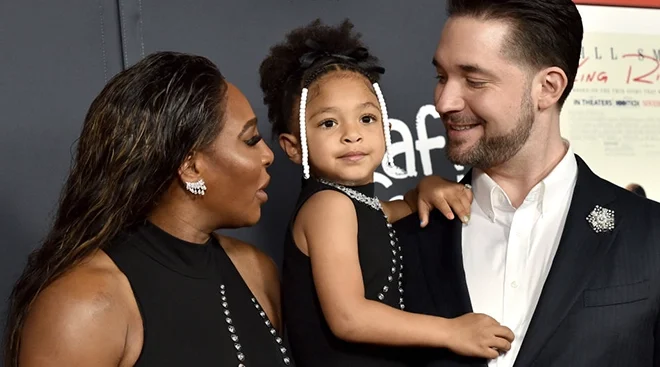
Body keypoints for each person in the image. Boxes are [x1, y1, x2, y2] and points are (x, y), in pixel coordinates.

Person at [396, 0, 660, 366]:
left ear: (548, 88)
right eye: (441, 77)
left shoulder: (650, 233)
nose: (444, 101)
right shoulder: (404, 234)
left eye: (474, 80)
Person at [3, 51, 292, 367]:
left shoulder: (256, 270)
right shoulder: (83, 306)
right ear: (191, 167)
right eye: (251, 140)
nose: (267, 155)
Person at [258, 19, 515, 367]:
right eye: (328, 123)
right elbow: (349, 317)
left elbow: (392, 210)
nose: (352, 134)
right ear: (294, 148)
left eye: (366, 118)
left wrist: (425, 188)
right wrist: (452, 332)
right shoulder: (328, 207)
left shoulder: (354, 204)